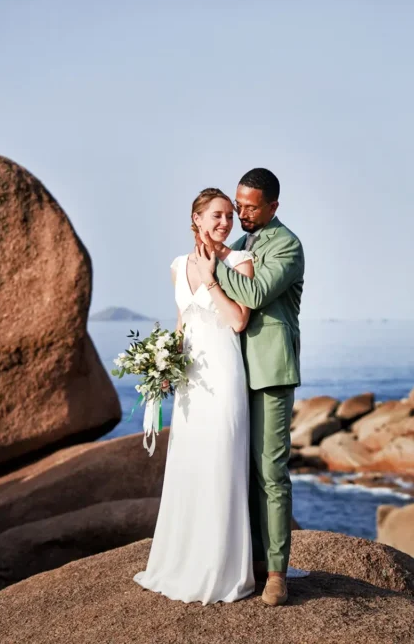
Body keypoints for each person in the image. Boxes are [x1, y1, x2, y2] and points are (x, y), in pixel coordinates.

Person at [132, 187, 257, 604]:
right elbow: (183, 319)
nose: (225, 223)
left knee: (222, 460)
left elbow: (238, 321)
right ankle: (183, 561)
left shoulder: (240, 261)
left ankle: (221, 570)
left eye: (229, 217)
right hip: (190, 380)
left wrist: (212, 279)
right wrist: (164, 365)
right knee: (190, 463)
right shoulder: (175, 265)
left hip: (223, 375)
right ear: (197, 218)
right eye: (217, 216)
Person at [200, 168, 304, 607]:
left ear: (273, 207)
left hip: (270, 371)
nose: (240, 213)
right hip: (232, 373)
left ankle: (276, 572)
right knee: (237, 469)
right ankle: (249, 562)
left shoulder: (288, 245)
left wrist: (213, 270)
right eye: (237, 205)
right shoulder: (240, 246)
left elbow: (257, 292)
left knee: (270, 472)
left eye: (249, 206)